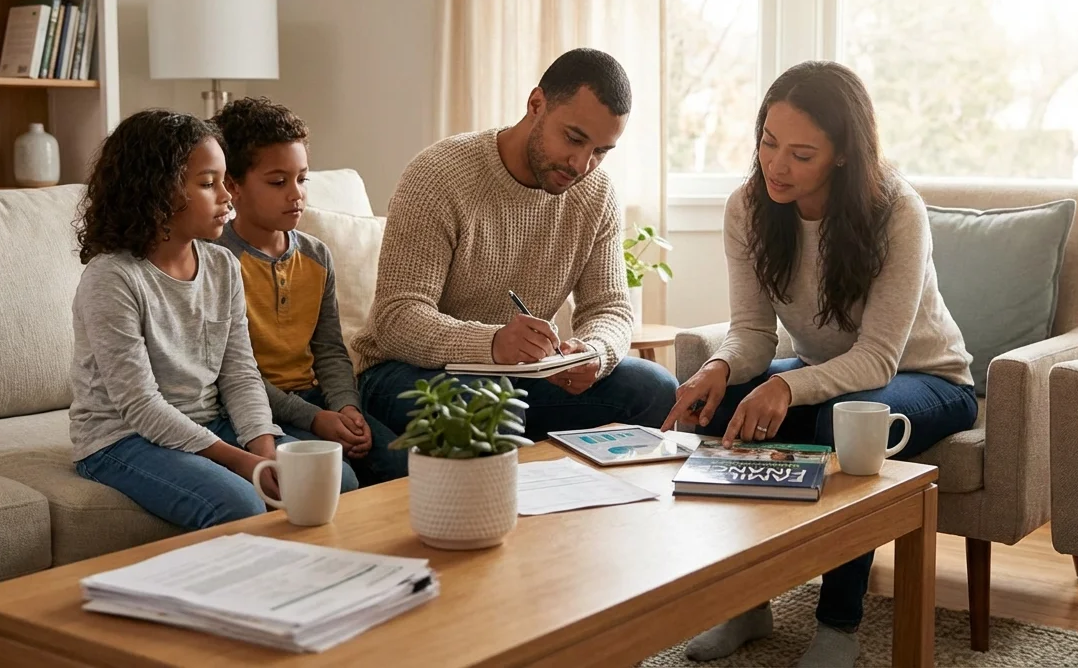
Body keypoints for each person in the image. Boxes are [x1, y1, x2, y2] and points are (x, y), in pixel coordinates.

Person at [661, 61, 977, 667]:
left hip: (930, 379)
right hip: (829, 370)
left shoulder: (896, 211)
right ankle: (745, 601)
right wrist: (721, 369)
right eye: (768, 142)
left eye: (801, 154)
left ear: (841, 154)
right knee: (717, 405)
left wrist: (789, 387)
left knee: (844, 419)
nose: (776, 165)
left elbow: (879, 360)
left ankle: (838, 627)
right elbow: (753, 334)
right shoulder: (748, 208)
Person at [353, 48, 677, 440]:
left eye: (600, 152)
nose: (581, 164)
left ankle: (587, 498)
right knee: (492, 409)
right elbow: (396, 317)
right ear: (536, 104)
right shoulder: (438, 175)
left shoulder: (595, 193)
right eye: (574, 138)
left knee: (655, 388)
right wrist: (491, 343)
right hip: (406, 372)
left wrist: (594, 352)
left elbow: (610, 307)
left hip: (519, 377)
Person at [68, 109, 357, 532]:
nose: (228, 195)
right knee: (238, 503)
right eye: (208, 184)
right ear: (157, 191)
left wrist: (265, 447)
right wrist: (243, 462)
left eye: (225, 181)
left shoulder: (221, 265)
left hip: (210, 421)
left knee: (339, 481)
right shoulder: (112, 278)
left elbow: (240, 374)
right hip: (123, 438)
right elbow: (140, 405)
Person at [211, 96, 407, 485]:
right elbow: (229, 373)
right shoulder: (217, 262)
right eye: (278, 182)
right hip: (254, 410)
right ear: (233, 185)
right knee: (339, 478)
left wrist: (346, 408)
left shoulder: (317, 256)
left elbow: (330, 350)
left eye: (302, 178)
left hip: (316, 400)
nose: (296, 194)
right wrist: (315, 419)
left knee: (404, 469)